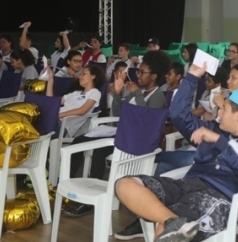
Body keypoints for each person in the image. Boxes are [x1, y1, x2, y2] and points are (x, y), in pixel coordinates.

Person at [115, 63, 238, 242]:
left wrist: (220, 141)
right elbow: (179, 115)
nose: (219, 112)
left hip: (222, 198)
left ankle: (173, 225)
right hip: (188, 185)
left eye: (224, 108)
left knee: (166, 233)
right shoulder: (214, 129)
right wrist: (191, 77)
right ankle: (175, 221)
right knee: (126, 184)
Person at [63, 50, 171, 218]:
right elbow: (119, 114)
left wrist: (135, 93)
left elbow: (147, 121)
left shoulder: (158, 96)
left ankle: (90, 200)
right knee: (80, 141)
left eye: (143, 72)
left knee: (98, 151)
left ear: (154, 76)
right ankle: (69, 187)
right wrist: (117, 93)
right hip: (125, 133)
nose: (138, 76)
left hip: (138, 140)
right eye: (139, 71)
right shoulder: (141, 92)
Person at [46, 64, 105, 137]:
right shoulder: (76, 93)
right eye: (80, 74)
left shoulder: (95, 92)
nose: (80, 77)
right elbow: (51, 102)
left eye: (84, 74)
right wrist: (50, 79)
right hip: (54, 119)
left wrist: (57, 115)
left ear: (93, 76)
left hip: (63, 126)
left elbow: (82, 110)